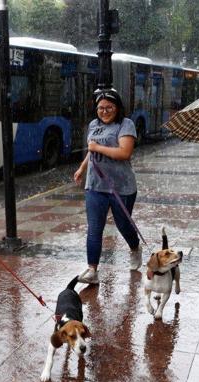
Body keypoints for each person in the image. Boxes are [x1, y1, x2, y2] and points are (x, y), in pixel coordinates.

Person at [73, 89, 142, 284]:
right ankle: (92, 269)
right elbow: (91, 150)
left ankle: (135, 247)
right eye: (100, 108)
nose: (104, 111)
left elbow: (124, 152)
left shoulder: (125, 124)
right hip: (95, 185)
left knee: (123, 225)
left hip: (122, 186)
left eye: (109, 107)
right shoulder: (93, 125)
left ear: (117, 107)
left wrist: (97, 148)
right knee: (95, 228)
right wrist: (82, 168)